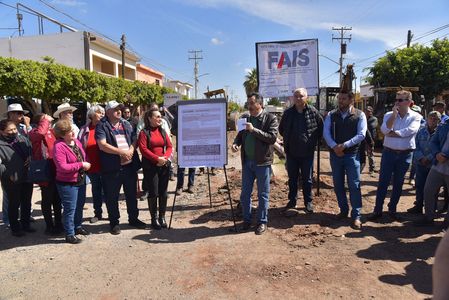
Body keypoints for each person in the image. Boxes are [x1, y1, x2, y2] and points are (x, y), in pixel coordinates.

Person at [368, 90, 422, 222]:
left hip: (405, 154)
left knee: (398, 183)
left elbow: (410, 131)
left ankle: (392, 209)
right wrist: (394, 115)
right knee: (383, 182)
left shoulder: (416, 116)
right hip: (389, 153)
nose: (397, 102)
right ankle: (378, 210)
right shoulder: (389, 115)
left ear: (409, 102)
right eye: (396, 99)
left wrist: (393, 133)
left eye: (400, 100)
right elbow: (385, 130)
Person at [95, 100, 146, 235]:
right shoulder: (102, 126)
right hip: (112, 168)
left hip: (129, 166)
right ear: (108, 112)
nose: (119, 111)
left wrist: (130, 150)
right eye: (115, 109)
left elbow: (134, 138)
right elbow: (102, 145)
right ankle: (114, 223)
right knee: (112, 197)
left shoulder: (126, 123)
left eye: (120, 109)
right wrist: (121, 152)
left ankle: (133, 219)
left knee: (131, 195)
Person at [232, 92, 278, 235]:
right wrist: (235, 144)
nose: (249, 106)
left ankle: (262, 222)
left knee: (263, 194)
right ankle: (247, 220)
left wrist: (254, 130)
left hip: (262, 162)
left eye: (252, 103)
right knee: (245, 194)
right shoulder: (245, 118)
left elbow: (272, 138)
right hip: (247, 163)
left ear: (260, 104)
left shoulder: (270, 118)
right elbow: (239, 136)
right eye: (248, 103)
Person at [323, 90, 367, 229]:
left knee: (354, 185)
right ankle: (343, 210)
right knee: (338, 185)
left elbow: (361, 134)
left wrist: (344, 146)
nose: (340, 101)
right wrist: (335, 146)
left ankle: (356, 215)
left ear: (351, 100)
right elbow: (326, 133)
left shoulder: (360, 115)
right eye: (339, 98)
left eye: (343, 99)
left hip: (352, 156)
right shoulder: (331, 114)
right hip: (335, 155)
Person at [279, 87, 323, 213]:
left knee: (307, 179)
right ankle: (292, 201)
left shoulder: (313, 112)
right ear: (293, 98)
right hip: (291, 152)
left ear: (306, 97)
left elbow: (321, 128)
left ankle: (308, 202)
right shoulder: (287, 113)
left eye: (301, 96)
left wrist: (313, 142)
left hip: (307, 153)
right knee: (292, 179)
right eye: (296, 96)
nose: (298, 98)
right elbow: (281, 130)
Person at [53, 119, 91, 244]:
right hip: (67, 182)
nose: (72, 132)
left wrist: (84, 164)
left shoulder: (76, 142)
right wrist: (81, 164)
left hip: (80, 179)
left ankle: (77, 226)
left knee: (79, 205)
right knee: (70, 208)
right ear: (62, 134)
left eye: (72, 130)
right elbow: (62, 167)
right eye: (69, 131)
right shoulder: (59, 147)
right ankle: (69, 234)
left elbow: (83, 155)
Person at [28, 113, 63, 235]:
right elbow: (40, 134)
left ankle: (59, 223)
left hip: (55, 168)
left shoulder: (52, 131)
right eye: (45, 119)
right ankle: (49, 226)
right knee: (47, 199)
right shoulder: (33, 132)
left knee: (57, 199)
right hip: (44, 170)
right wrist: (45, 121)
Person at [138, 109, 173, 229]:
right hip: (151, 167)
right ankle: (154, 218)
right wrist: (157, 159)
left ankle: (162, 217)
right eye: (157, 116)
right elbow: (143, 149)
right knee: (153, 192)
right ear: (150, 118)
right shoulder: (144, 132)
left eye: (160, 116)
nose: (160, 119)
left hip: (163, 165)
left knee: (163, 192)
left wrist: (165, 158)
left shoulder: (162, 131)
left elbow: (169, 146)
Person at [414, 113, 449, 227]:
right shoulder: (444, 126)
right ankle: (429, 217)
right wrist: (437, 153)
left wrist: (446, 155)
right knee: (428, 190)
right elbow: (434, 142)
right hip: (438, 165)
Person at [0, 119, 34, 237]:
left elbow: (30, 149)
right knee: (14, 203)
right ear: (2, 132)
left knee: (26, 201)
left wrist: (30, 157)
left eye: (14, 129)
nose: (13, 132)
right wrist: (8, 174)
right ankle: (15, 228)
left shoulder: (21, 139)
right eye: (9, 130)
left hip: (26, 176)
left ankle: (26, 224)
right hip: (11, 179)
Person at [407, 111, 441, 214]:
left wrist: (429, 158)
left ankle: (431, 208)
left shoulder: (440, 133)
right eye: (430, 118)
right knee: (419, 185)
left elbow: (439, 147)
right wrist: (421, 158)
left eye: (435, 119)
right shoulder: (421, 131)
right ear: (427, 119)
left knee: (433, 189)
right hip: (420, 163)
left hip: (433, 165)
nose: (432, 120)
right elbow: (415, 145)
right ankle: (418, 205)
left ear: (439, 121)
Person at [78, 104, 106, 223]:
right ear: (91, 115)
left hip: (105, 165)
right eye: (99, 112)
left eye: (102, 112)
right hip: (91, 165)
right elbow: (79, 147)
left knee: (108, 191)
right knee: (96, 190)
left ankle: (113, 214)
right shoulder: (84, 129)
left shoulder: (106, 127)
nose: (101, 114)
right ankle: (97, 213)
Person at [365, 106, 378, 174]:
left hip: (370, 140)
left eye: (369, 111)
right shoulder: (363, 118)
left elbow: (372, 126)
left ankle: (372, 168)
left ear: (371, 112)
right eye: (366, 111)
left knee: (370, 154)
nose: (368, 112)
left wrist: (364, 126)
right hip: (362, 139)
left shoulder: (374, 119)